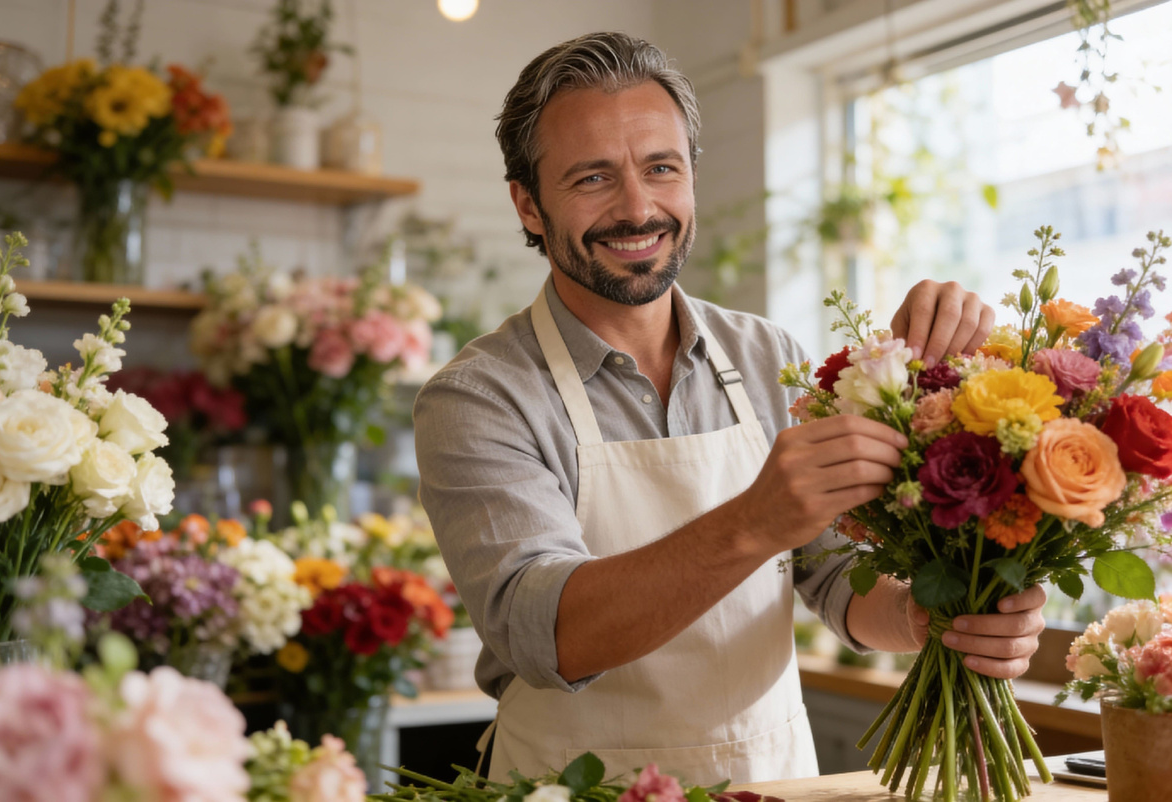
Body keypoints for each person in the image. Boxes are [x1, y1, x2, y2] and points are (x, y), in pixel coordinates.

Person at [413, 31, 1045, 786]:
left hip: (767, 782)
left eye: (661, 168)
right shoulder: (479, 396)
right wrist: (756, 520)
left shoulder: (762, 353)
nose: (638, 207)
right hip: (571, 787)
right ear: (530, 204)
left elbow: (835, 577)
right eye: (593, 178)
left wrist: (928, 617)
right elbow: (545, 635)